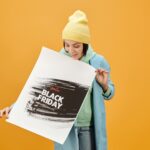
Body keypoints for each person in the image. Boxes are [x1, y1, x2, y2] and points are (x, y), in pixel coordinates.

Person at [0, 10, 115, 150]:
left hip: (88, 127)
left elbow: (110, 93)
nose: (71, 50)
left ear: (85, 44)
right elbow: (38, 91)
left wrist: (104, 86)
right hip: (65, 129)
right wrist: (14, 108)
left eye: (76, 46)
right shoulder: (58, 61)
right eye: (67, 45)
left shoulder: (97, 62)